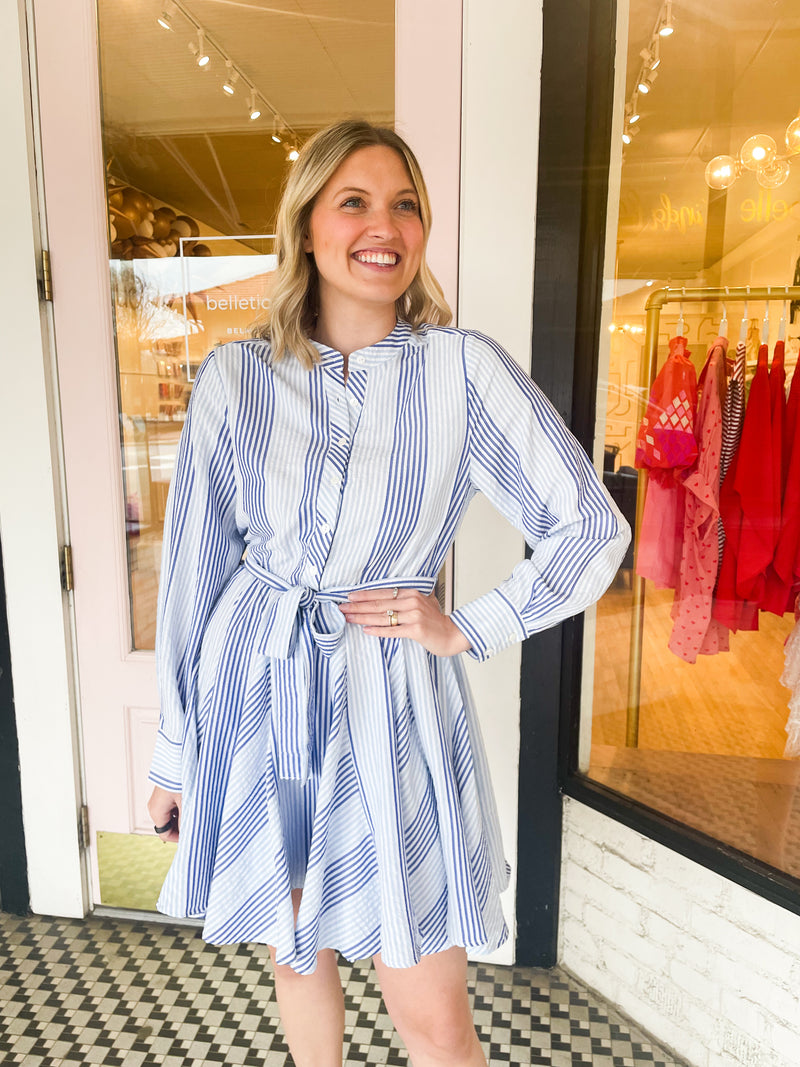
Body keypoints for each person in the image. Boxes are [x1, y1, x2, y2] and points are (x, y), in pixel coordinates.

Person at [147, 119, 629, 1067]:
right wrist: (175, 746)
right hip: (258, 689)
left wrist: (472, 626)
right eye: (355, 201)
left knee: (432, 1004)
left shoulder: (462, 370)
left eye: (405, 203)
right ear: (309, 226)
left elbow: (590, 525)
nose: (385, 225)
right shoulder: (237, 378)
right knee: (297, 945)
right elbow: (193, 569)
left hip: (391, 700)